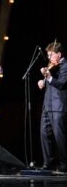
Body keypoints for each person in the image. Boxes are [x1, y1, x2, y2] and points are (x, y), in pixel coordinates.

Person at [38, 41, 67, 172]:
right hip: (47, 105)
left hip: (58, 106)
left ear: (59, 54)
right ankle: (48, 163)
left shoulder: (65, 66)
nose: (49, 57)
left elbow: (61, 83)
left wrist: (49, 78)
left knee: (59, 136)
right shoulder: (52, 66)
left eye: (51, 55)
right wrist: (42, 81)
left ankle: (64, 164)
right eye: (48, 55)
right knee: (44, 134)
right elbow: (48, 81)